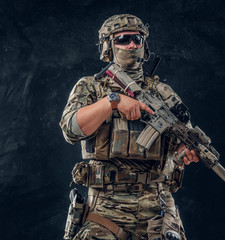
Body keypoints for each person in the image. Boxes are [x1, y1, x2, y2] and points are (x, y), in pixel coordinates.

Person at [60, 14, 199, 240]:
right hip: (106, 205)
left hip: (158, 204)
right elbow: (71, 130)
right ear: (108, 45)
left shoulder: (163, 93)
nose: (132, 44)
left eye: (137, 39)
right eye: (123, 39)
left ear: (145, 46)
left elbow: (181, 141)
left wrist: (185, 153)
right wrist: (112, 101)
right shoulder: (91, 86)